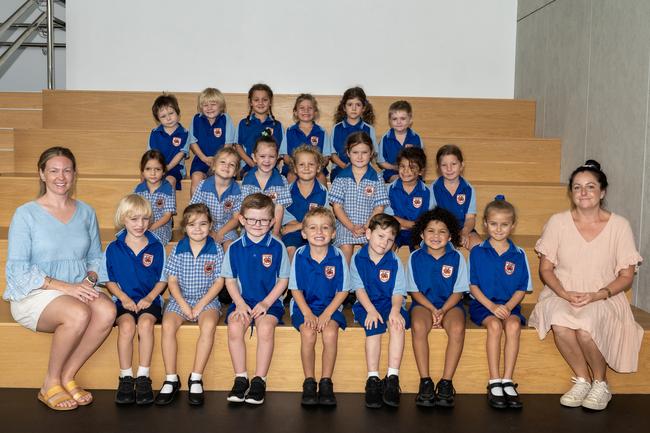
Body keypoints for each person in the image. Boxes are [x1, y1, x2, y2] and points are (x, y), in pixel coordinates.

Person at [4, 146, 116, 411]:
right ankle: (49, 382)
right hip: (36, 291)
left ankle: (68, 376)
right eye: (53, 170)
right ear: (42, 174)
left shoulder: (86, 212)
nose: (61, 176)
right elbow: (18, 268)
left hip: (77, 287)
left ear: (75, 174)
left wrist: (89, 281)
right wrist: (67, 288)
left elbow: (95, 258)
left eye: (67, 170)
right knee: (78, 313)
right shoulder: (25, 214)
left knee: (107, 310)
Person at [529, 160, 643, 411]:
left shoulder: (619, 225)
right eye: (578, 187)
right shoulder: (558, 222)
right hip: (562, 291)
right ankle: (582, 379)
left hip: (603, 294)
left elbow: (626, 276)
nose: (583, 192)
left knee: (586, 329)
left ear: (602, 192)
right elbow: (546, 269)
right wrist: (563, 293)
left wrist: (597, 294)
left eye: (590, 187)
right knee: (559, 321)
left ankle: (601, 383)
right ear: (571, 192)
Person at [222, 193, 290, 405]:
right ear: (242, 219)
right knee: (234, 327)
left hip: (269, 302)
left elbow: (283, 280)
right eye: (252, 219)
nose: (257, 224)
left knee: (265, 328)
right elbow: (230, 281)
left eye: (263, 220)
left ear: (272, 222)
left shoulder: (277, 247)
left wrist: (266, 303)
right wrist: (240, 304)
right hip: (242, 301)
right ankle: (241, 378)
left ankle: (260, 380)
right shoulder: (234, 248)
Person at [154, 204, 224, 406]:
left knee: (208, 326)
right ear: (185, 227)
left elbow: (219, 281)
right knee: (167, 326)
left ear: (210, 225)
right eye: (192, 224)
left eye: (203, 224)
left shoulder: (216, 249)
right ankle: (171, 378)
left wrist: (201, 305)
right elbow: (172, 281)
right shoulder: (178, 249)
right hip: (180, 300)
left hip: (207, 300)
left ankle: (196, 377)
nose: (198, 229)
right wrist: (184, 306)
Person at [100, 194, 167, 405]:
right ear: (123, 219)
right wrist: (123, 298)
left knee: (146, 324)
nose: (140, 224)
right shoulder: (113, 247)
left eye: (145, 219)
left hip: (150, 301)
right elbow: (108, 280)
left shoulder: (158, 247)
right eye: (134, 219)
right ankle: (126, 377)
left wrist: (149, 298)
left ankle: (143, 376)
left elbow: (163, 280)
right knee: (127, 326)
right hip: (123, 301)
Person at [469, 195, 531, 409]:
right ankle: (494, 380)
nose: (498, 229)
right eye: (493, 224)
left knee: (513, 325)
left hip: (509, 305)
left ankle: (507, 380)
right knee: (495, 326)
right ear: (485, 224)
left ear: (512, 226)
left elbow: (522, 288)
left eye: (504, 225)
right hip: (483, 305)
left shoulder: (518, 254)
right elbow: (473, 286)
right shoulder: (477, 252)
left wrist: (508, 307)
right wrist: (492, 307)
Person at [407, 207, 468, 408]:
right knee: (417, 325)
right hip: (424, 304)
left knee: (458, 329)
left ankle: (446, 382)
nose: (436, 236)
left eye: (442, 231)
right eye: (431, 231)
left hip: (450, 305)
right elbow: (414, 292)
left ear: (450, 236)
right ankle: (425, 382)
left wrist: (442, 310)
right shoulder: (415, 257)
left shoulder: (457, 257)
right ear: (422, 234)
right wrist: (433, 309)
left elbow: (459, 292)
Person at [289, 207, 349, 406]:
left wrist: (327, 314)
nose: (319, 232)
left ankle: (326, 382)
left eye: (325, 228)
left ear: (333, 233)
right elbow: (295, 289)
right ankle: (309, 382)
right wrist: (307, 313)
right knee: (308, 333)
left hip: (330, 307)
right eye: (313, 228)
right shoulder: (299, 254)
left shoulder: (338, 255)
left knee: (330, 333)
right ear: (304, 233)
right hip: (303, 306)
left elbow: (343, 291)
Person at [350, 214, 409, 408]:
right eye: (380, 236)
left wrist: (395, 310)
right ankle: (373, 379)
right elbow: (359, 289)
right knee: (374, 327)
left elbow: (398, 291)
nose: (384, 243)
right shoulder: (357, 259)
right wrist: (370, 310)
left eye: (390, 239)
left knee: (397, 325)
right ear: (368, 234)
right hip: (366, 304)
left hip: (390, 302)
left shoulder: (394, 261)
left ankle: (392, 377)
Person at [329, 131, 389, 264]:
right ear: (348, 153)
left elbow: (379, 208)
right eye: (355, 152)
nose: (360, 156)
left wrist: (366, 226)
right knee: (345, 249)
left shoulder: (377, 178)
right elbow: (337, 208)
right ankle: (344, 283)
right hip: (345, 225)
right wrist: (351, 227)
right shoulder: (341, 177)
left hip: (369, 225)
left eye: (364, 152)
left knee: (371, 251)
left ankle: (365, 282)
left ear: (371, 153)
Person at [190, 146, 243, 251]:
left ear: (235, 172)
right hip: (204, 226)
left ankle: (227, 267)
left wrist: (220, 233)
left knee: (230, 247)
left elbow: (236, 218)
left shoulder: (238, 190)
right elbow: (195, 212)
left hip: (228, 229)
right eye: (222, 162)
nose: (226, 166)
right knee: (204, 246)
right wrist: (210, 232)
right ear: (213, 166)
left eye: (232, 164)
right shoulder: (202, 186)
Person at [281, 145, 328, 260]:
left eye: (311, 164)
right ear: (295, 169)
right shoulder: (287, 190)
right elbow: (285, 219)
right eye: (301, 165)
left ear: (318, 168)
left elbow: (324, 217)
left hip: (315, 231)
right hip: (294, 233)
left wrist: (301, 226)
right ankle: (292, 277)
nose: (306, 168)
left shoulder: (322, 192)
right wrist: (297, 227)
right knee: (291, 248)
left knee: (318, 248)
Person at [430, 144, 481, 250]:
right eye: (444, 165)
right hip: (441, 230)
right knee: (445, 247)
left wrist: (465, 232)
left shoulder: (468, 189)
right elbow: (433, 218)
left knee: (479, 247)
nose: (449, 169)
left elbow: (470, 218)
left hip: (464, 228)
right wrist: (447, 234)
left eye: (453, 164)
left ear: (461, 165)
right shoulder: (433, 188)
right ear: (438, 168)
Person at [241, 134, 292, 238]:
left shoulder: (281, 180)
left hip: (273, 226)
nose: (267, 160)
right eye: (262, 156)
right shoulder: (247, 180)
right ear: (254, 157)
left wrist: (276, 234)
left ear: (277, 157)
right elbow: (245, 208)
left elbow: (279, 209)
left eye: (271, 156)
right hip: (251, 226)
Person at [188, 87, 236, 195]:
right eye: (205, 105)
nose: (209, 108)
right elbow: (192, 142)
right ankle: (194, 210)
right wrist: (204, 158)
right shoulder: (196, 119)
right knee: (196, 178)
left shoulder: (226, 119)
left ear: (221, 106)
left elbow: (228, 144)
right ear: (201, 107)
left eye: (213, 104)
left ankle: (215, 210)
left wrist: (218, 160)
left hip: (221, 161)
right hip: (201, 160)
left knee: (219, 181)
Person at [386, 147, 433, 252]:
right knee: (387, 247)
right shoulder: (388, 189)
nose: (406, 171)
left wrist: (409, 225)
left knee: (421, 252)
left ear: (421, 171)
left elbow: (429, 220)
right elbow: (389, 218)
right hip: (395, 230)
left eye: (412, 167)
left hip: (418, 232)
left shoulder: (428, 192)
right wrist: (414, 224)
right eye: (402, 166)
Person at [279, 93, 331, 184]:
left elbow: (326, 158)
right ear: (295, 112)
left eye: (310, 108)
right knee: (291, 176)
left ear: (315, 112)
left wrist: (314, 168)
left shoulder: (321, 132)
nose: (306, 111)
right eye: (302, 108)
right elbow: (285, 157)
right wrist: (297, 168)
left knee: (321, 177)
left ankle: (322, 198)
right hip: (293, 169)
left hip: (315, 170)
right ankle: (290, 198)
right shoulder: (289, 131)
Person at [234, 83, 284, 174]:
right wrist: (251, 163)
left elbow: (280, 150)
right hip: (248, 167)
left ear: (270, 102)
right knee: (249, 178)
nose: (260, 103)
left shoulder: (277, 125)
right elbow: (238, 146)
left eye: (264, 100)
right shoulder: (243, 123)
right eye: (256, 100)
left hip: (271, 168)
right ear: (251, 102)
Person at [330, 87, 376, 181]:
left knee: (374, 179)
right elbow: (333, 154)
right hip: (341, 168)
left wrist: (359, 167)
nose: (354, 108)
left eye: (358, 105)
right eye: (350, 104)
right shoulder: (337, 128)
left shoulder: (369, 129)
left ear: (363, 108)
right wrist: (345, 166)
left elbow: (372, 153)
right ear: (344, 107)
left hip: (364, 168)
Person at [148, 93, 190, 191]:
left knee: (169, 180)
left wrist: (166, 168)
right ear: (158, 119)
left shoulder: (184, 133)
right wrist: (155, 169)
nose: (168, 118)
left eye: (171, 113)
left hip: (175, 168)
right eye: (163, 116)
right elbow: (150, 154)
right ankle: (145, 205)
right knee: (144, 178)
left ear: (178, 113)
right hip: (157, 167)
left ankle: (167, 206)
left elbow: (180, 154)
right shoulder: (155, 133)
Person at [134, 150, 175, 245]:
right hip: (141, 224)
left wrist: (150, 227)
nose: (153, 173)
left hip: (161, 226)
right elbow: (134, 211)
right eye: (148, 169)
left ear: (164, 171)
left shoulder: (167, 189)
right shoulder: (138, 189)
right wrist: (141, 226)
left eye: (157, 169)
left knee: (152, 241)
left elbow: (166, 216)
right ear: (142, 171)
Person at [377, 100, 423, 183]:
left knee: (413, 180)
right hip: (392, 172)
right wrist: (395, 167)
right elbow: (381, 162)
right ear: (390, 121)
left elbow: (421, 162)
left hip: (412, 172)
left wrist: (413, 153)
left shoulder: (416, 138)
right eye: (394, 119)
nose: (398, 122)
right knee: (399, 181)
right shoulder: (385, 138)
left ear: (410, 120)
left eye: (403, 118)